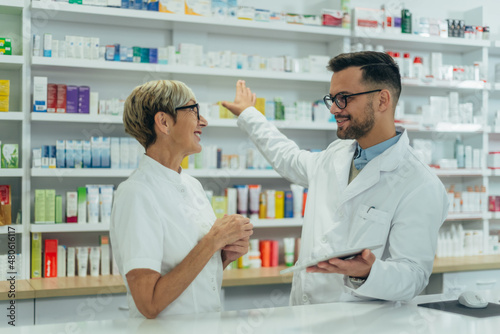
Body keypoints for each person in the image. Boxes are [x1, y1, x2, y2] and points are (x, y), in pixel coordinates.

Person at [221, 51, 448, 304]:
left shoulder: (419, 184)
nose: (333, 109)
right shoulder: (336, 154)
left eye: (344, 98)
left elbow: (413, 276)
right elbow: (288, 157)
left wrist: (367, 272)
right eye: (332, 98)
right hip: (305, 315)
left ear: (382, 100)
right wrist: (249, 115)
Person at [110, 80, 253, 319]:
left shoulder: (192, 186)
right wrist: (213, 241)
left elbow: (194, 277)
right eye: (193, 111)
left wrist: (223, 256)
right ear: (164, 122)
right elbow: (149, 303)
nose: (203, 121)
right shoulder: (136, 193)